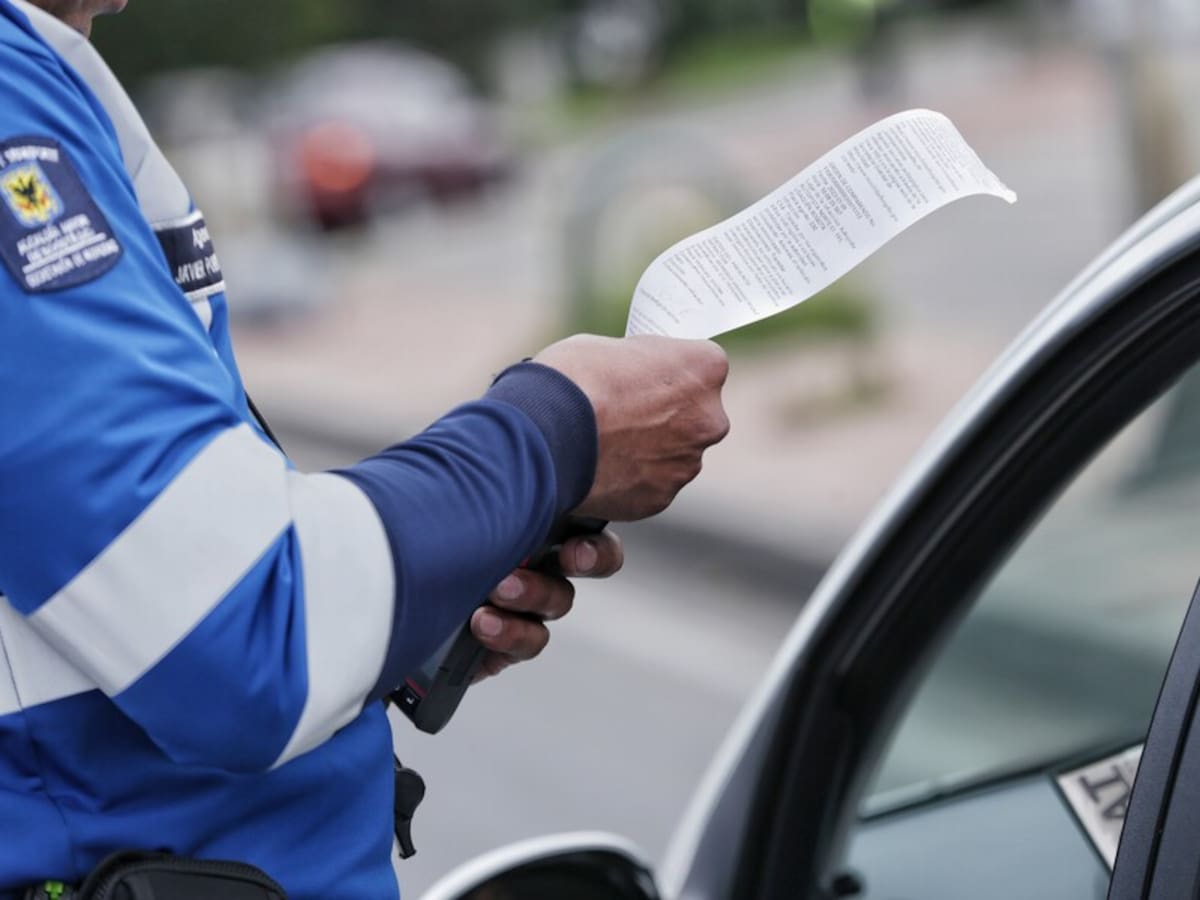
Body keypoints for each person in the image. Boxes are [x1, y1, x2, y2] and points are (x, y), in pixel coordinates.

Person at [0, 1, 730, 898]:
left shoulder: (43, 73)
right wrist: (559, 430)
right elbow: (243, 637)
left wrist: (412, 579)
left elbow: (161, 555)